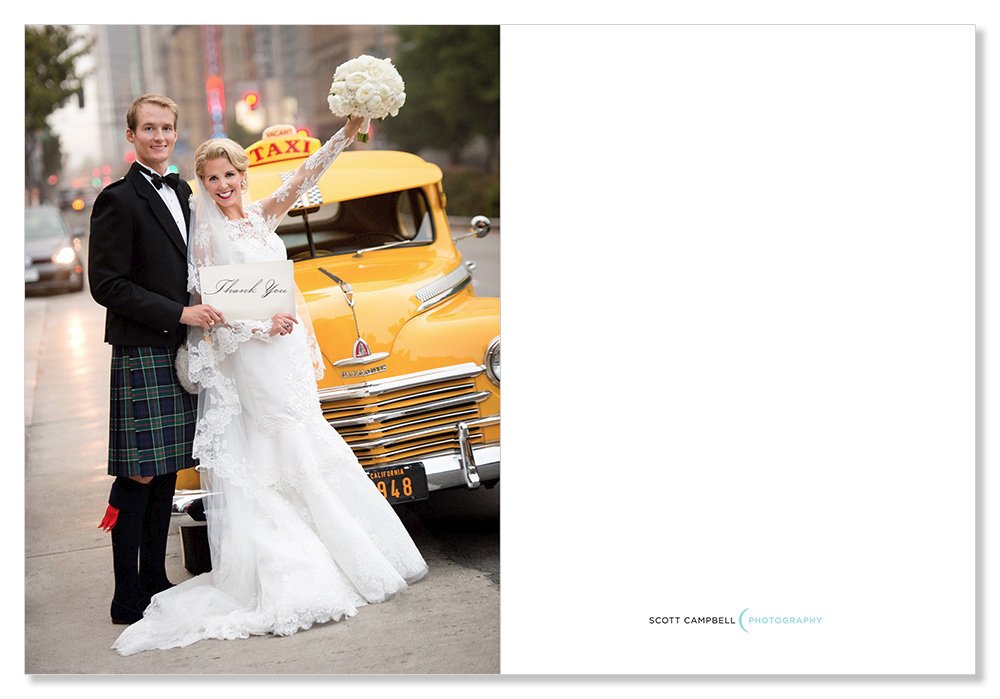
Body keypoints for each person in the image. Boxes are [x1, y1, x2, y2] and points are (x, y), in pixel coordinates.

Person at [111, 115, 428, 656]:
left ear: (242, 172)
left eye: (229, 173)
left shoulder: (262, 217)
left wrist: (348, 130)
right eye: (211, 178)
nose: (222, 184)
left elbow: (305, 175)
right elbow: (214, 307)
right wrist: (262, 325)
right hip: (251, 355)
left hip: (285, 355)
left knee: (306, 435)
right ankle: (288, 566)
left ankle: (348, 550)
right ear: (202, 184)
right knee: (272, 446)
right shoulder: (204, 237)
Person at [90, 94, 225, 625]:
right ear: (132, 135)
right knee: (139, 474)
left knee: (167, 468)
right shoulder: (116, 199)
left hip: (179, 349)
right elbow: (107, 285)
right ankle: (127, 597)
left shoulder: (185, 190)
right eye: (149, 128)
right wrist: (179, 314)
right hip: (143, 348)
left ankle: (154, 581)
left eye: (167, 128)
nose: (159, 136)